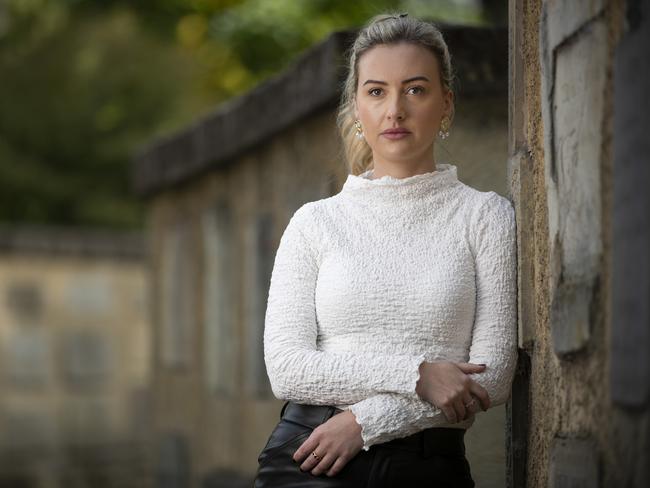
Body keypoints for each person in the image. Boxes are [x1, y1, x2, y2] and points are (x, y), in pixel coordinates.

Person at [253, 11, 517, 488]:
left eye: (416, 89)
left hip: (428, 464)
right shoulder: (315, 223)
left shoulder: (485, 217)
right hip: (310, 459)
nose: (395, 110)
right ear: (357, 107)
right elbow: (287, 368)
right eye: (376, 92)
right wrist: (416, 374)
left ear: (446, 104)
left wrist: (366, 423)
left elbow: (492, 377)